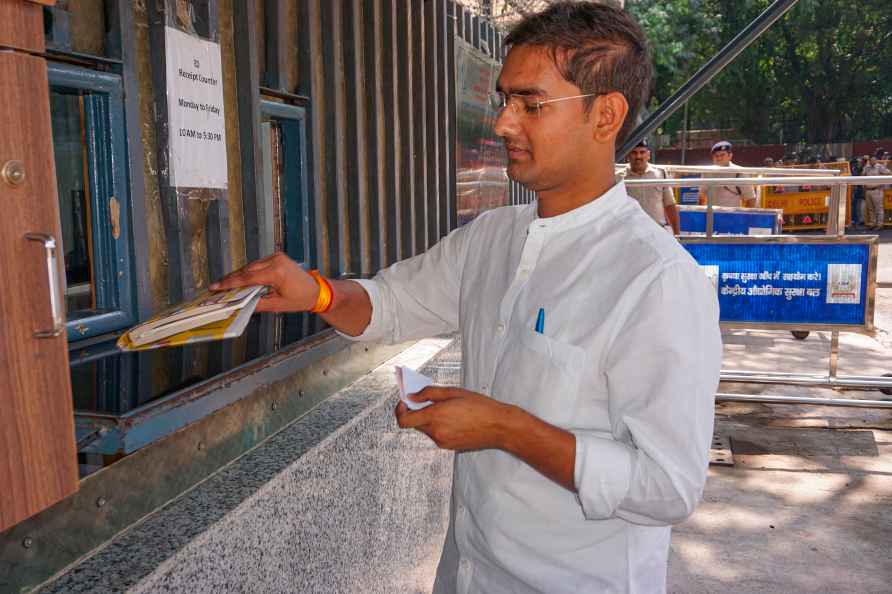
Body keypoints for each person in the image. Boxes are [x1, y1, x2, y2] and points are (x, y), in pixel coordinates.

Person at [211, 3, 721, 592]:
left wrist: (506, 428)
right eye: (505, 101)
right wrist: (317, 292)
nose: (504, 125)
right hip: (469, 573)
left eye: (531, 105)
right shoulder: (493, 239)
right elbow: (392, 302)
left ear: (605, 115)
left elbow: (668, 487)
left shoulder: (654, 280)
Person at [622, 139, 680, 234]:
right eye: (634, 152)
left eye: (642, 152)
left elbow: (669, 205)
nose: (638, 156)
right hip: (631, 233)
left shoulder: (660, 174)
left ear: (648, 155)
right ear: (628, 156)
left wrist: (677, 234)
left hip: (657, 231)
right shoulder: (619, 178)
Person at [698, 141, 757, 208]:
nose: (719, 158)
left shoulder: (739, 172)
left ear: (730, 156)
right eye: (716, 156)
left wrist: (747, 217)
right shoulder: (707, 172)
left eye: (722, 155)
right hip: (711, 215)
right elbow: (702, 196)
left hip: (731, 215)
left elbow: (751, 199)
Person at [862, 150, 892, 230]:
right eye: (871, 160)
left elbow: (889, 173)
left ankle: (880, 224)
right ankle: (872, 223)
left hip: (877, 190)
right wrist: (865, 167)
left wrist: (883, 182)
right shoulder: (867, 167)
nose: (872, 161)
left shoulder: (880, 167)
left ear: (876, 160)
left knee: (878, 208)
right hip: (868, 190)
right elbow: (862, 175)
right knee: (870, 209)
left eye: (873, 160)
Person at [849, 156, 865, 228]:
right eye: (854, 163)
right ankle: (854, 220)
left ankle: (855, 220)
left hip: (856, 189)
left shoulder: (856, 169)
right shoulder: (851, 169)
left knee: (854, 206)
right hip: (853, 189)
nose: (855, 164)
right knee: (854, 206)